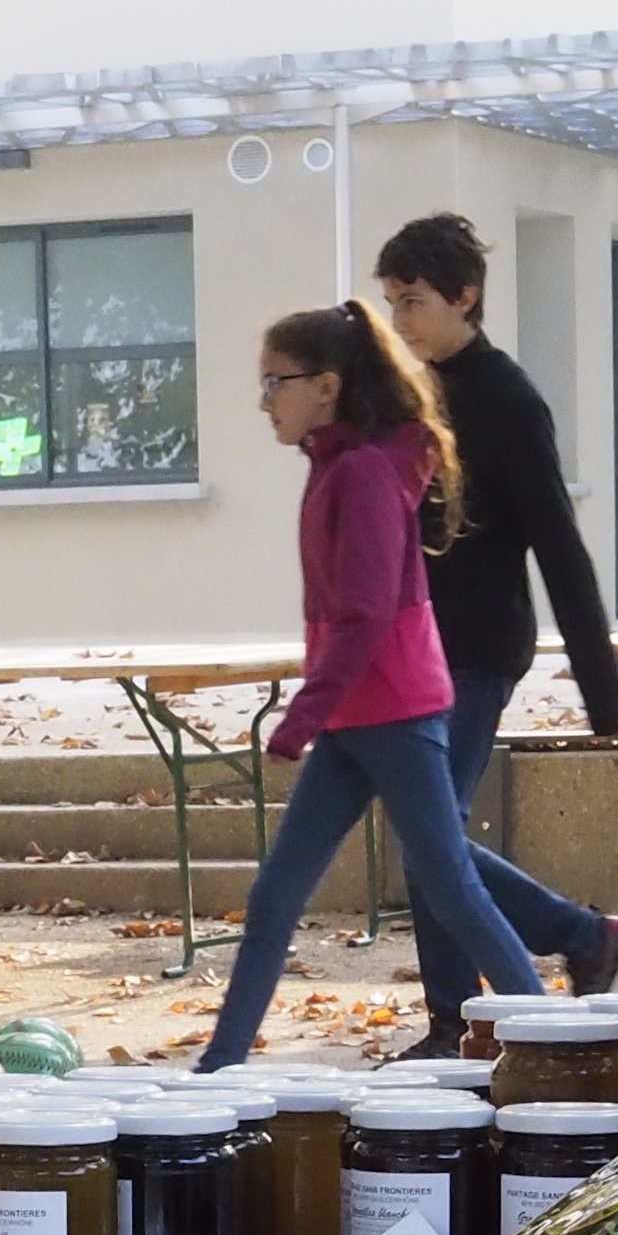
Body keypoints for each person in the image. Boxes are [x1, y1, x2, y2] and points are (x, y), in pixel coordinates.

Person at [199, 299, 534, 1074]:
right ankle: (217, 1067)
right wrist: (321, 713)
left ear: (326, 386)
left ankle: (552, 1037)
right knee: (275, 897)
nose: (264, 402)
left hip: (397, 709)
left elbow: (367, 614)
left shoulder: (364, 473)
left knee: (452, 889)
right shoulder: (336, 466)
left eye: (274, 382)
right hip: (357, 713)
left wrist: (298, 719)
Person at [371, 213, 618, 1047]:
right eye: (390, 303)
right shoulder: (409, 397)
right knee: (426, 836)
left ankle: (574, 945)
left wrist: (600, 680)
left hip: (478, 648)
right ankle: (463, 1016)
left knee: (427, 837)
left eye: (413, 301)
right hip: (410, 649)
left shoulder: (509, 400)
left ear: (465, 297)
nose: (401, 321)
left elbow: (557, 540)